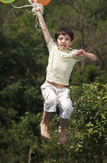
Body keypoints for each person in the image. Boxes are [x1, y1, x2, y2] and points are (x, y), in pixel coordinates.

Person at [36, 8, 97, 145]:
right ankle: (44, 123)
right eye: (61, 39)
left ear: (71, 42)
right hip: (49, 85)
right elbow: (45, 30)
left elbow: (94, 58)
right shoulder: (52, 47)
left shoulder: (74, 54)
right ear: (56, 40)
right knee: (51, 100)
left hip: (63, 89)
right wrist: (39, 14)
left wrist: (85, 54)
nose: (63, 41)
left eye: (67, 39)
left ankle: (61, 130)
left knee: (68, 107)